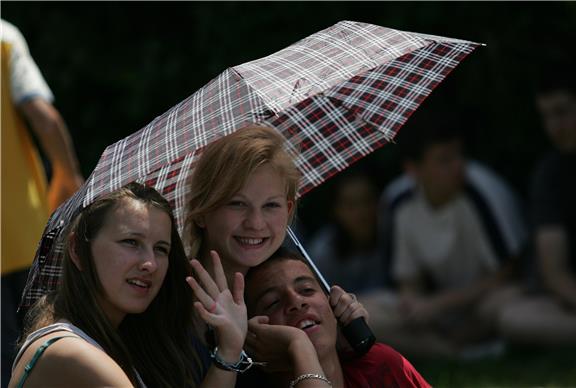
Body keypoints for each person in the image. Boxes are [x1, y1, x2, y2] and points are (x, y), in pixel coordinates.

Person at [9, 182, 248, 387]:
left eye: (161, 249)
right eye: (131, 242)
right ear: (77, 250)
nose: (150, 264)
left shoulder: (116, 346)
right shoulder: (73, 353)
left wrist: (229, 349)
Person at [184, 125, 368, 370]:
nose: (256, 223)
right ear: (202, 212)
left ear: (289, 210)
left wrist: (337, 347)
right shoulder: (179, 307)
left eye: (271, 205)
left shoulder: (278, 292)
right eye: (237, 204)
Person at [359, 117, 527, 358]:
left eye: (459, 156)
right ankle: (457, 352)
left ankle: (447, 348)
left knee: (502, 306)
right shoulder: (398, 202)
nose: (458, 166)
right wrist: (413, 305)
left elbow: (506, 274)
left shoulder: (482, 192)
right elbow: (407, 279)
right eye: (445, 160)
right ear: (413, 170)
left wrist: (438, 304)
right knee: (364, 313)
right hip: (435, 311)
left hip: (480, 302)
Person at [1, 19, 84, 386]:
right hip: (22, 234)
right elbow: (43, 117)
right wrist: (68, 175)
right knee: (42, 343)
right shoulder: (4, 39)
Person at [239, 247, 430, 388]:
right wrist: (298, 345)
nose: (296, 302)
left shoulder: (381, 366)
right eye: (273, 302)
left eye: (307, 289)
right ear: (252, 336)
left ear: (333, 305)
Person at [497, 61, 576, 345]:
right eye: (546, 116)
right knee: (513, 318)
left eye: (562, 112)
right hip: (571, 299)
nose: (554, 127)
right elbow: (555, 274)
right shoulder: (551, 174)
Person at [308, 166, 392, 293]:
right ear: (336, 210)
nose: (362, 212)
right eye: (351, 205)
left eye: (367, 200)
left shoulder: (391, 234)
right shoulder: (323, 254)